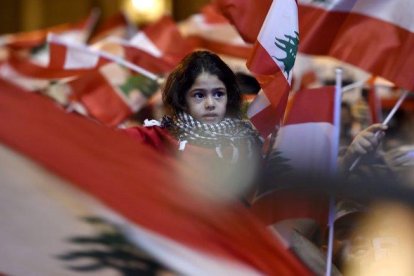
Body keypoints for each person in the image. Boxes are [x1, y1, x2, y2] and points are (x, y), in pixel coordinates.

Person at [123, 50, 263, 200]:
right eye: (199, 95)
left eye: (218, 94)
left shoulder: (250, 146)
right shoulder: (147, 138)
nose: (210, 104)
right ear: (182, 99)